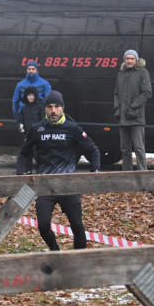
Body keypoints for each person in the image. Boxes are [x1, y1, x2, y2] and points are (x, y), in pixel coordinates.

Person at [30, 91, 100, 251]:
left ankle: (78, 257)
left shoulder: (72, 128)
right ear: (45, 109)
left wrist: (95, 171)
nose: (53, 110)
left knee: (77, 225)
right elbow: (24, 152)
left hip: (69, 186)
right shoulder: (37, 129)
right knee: (42, 225)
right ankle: (55, 250)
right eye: (49, 107)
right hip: (45, 187)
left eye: (57, 106)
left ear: (62, 108)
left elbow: (93, 149)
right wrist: (21, 174)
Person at [113, 49, 152, 171]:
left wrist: (133, 106)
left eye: (132, 58)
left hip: (136, 117)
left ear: (136, 60)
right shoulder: (121, 74)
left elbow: (147, 93)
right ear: (124, 59)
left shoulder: (143, 72)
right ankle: (127, 174)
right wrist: (118, 109)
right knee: (125, 148)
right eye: (127, 58)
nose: (129, 61)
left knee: (139, 148)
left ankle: (143, 174)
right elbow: (116, 94)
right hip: (123, 117)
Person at [14, 85, 45, 174]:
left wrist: (40, 131)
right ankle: (28, 171)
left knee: (38, 154)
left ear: (35, 96)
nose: (30, 97)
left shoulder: (40, 107)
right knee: (27, 154)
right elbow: (20, 120)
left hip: (38, 135)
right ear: (26, 97)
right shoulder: (24, 108)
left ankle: (41, 171)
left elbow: (43, 120)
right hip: (27, 135)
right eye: (29, 95)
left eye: (32, 95)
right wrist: (20, 127)